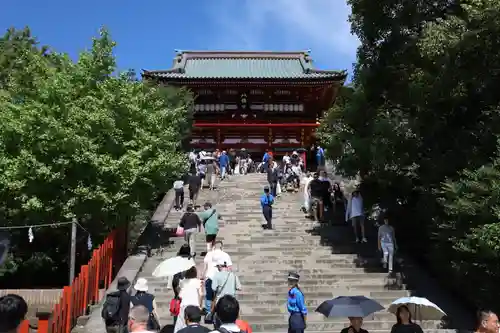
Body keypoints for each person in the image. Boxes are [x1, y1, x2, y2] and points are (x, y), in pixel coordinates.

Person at [174, 266, 203, 333]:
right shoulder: (198, 282)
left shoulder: (182, 282)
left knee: (180, 325)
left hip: (184, 305)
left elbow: (180, 295)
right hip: (195, 305)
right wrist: (200, 306)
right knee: (195, 324)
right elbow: (201, 295)